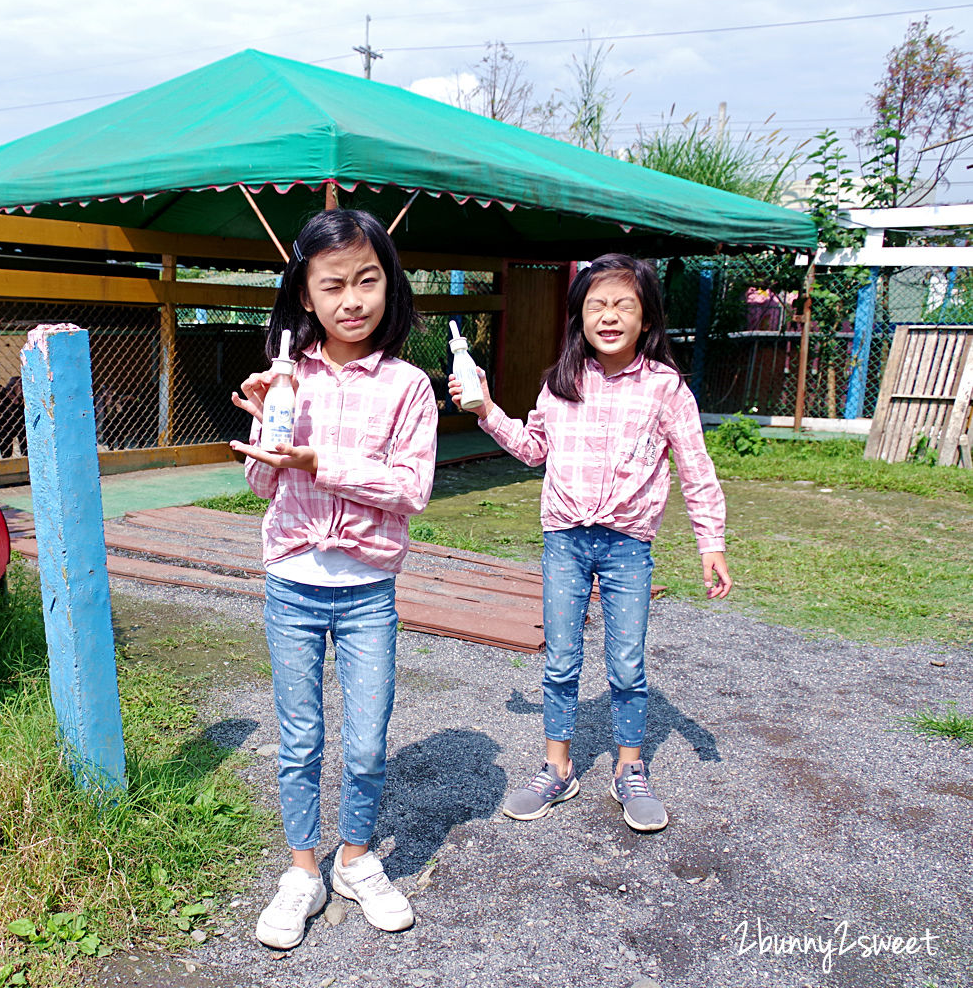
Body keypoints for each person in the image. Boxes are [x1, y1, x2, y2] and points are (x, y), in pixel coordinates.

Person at [449, 253, 732, 833]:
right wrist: (486, 410)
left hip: (629, 545)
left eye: (623, 305)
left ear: (647, 319)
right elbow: (534, 450)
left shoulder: (666, 389)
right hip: (565, 539)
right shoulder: (562, 383)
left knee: (626, 665)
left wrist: (712, 542)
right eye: (596, 304)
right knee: (560, 660)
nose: (609, 315)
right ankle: (557, 768)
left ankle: (630, 771)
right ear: (579, 316)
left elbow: (697, 468)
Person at [229, 208, 437, 949]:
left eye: (367, 281)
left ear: (390, 286)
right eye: (333, 285)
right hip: (291, 578)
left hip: (367, 588)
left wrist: (323, 465)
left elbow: (412, 489)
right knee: (299, 737)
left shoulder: (409, 385)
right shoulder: (288, 378)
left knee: (369, 737)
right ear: (305, 297)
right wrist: (263, 420)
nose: (352, 300)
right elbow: (261, 485)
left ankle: (355, 857)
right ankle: (303, 870)